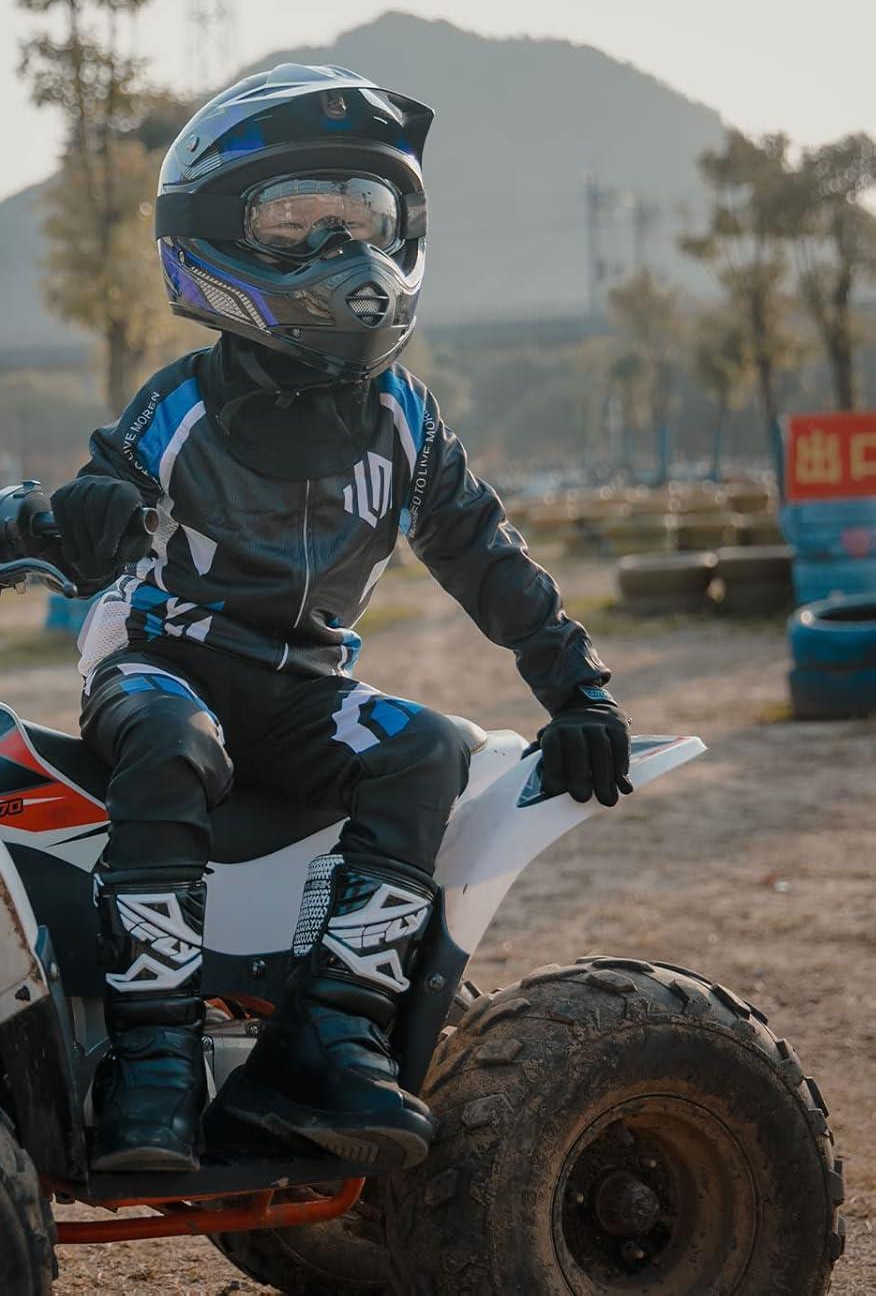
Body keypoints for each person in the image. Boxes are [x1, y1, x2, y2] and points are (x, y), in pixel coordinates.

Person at [46, 63, 632, 1174]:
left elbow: (484, 555)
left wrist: (580, 689)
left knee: (428, 752)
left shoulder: (404, 415)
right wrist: (96, 510)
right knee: (173, 745)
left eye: (363, 220)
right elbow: (111, 488)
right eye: (298, 223)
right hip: (162, 667)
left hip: (304, 690)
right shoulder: (185, 402)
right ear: (215, 238)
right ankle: (151, 1065)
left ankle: (326, 1042)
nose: (345, 257)